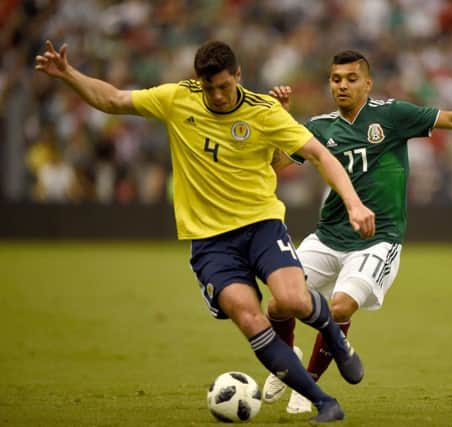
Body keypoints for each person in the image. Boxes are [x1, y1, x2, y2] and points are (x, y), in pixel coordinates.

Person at [35, 40, 377, 423]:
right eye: (209, 87)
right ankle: (323, 402)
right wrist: (68, 74)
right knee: (250, 318)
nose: (216, 95)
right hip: (211, 242)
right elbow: (113, 99)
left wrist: (353, 203)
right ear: (199, 81)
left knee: (293, 301)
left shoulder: (264, 112)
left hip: (261, 224)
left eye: (224, 86)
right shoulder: (177, 99)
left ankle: (334, 335)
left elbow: (319, 154)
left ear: (238, 76)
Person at [264, 50, 452, 414]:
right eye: (336, 79)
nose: (342, 86)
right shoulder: (320, 127)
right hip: (328, 234)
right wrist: (282, 121)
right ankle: (286, 356)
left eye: (351, 79)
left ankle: (306, 387)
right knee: (278, 301)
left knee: (340, 306)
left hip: (377, 238)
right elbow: (276, 164)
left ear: (367, 83)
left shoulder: (392, 115)